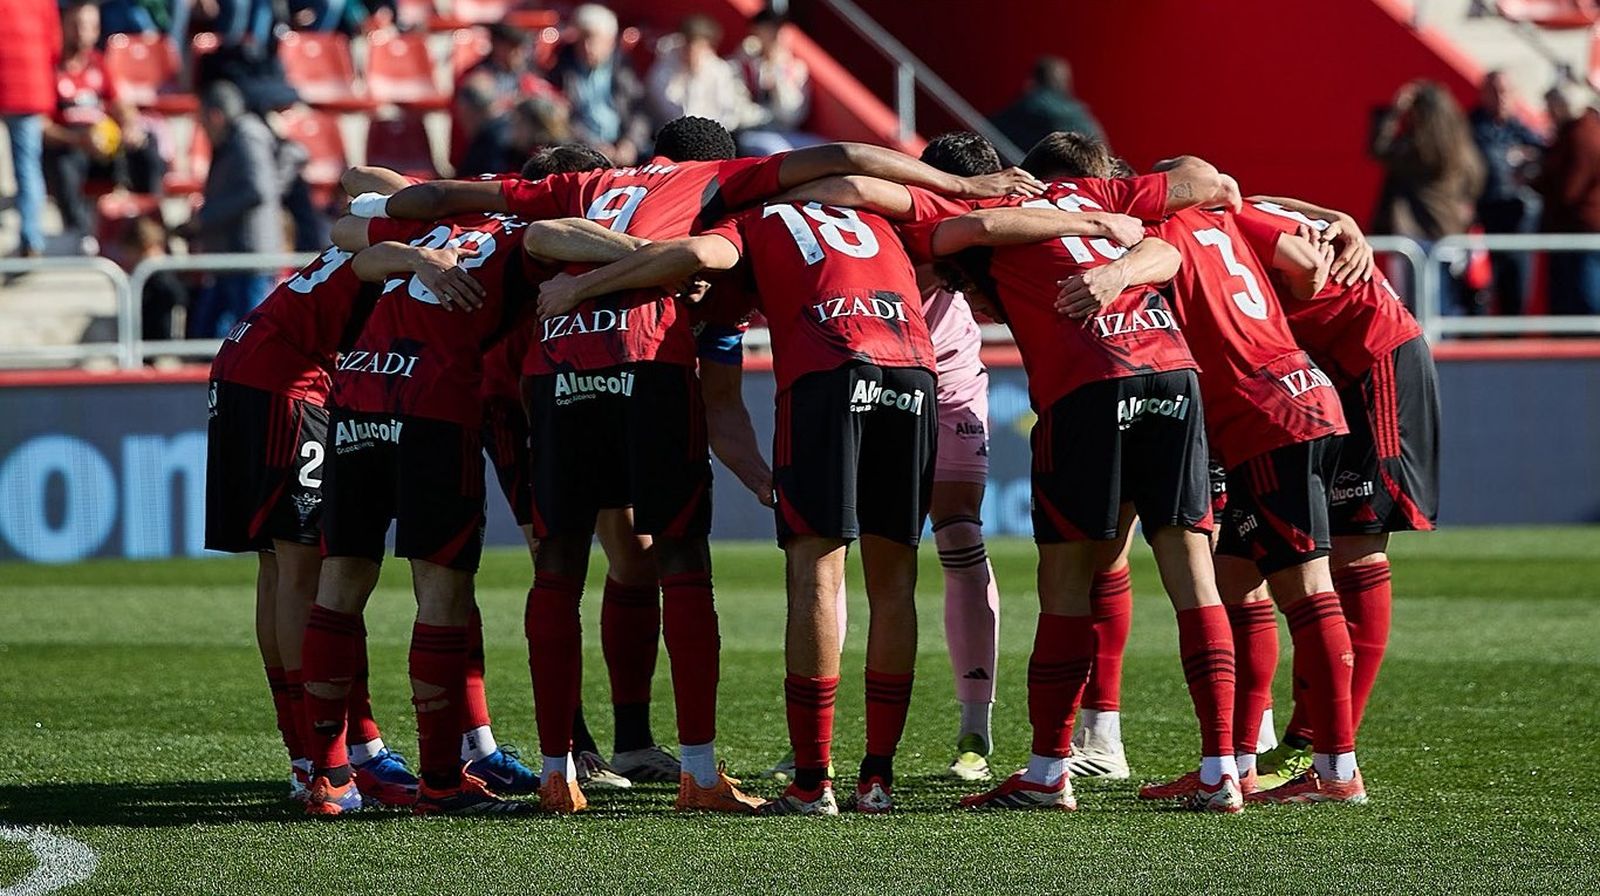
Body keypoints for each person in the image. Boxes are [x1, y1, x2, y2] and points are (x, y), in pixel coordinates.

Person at [364, 117, 1041, 813]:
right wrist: (992, 195)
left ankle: (562, 771)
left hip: (568, 361)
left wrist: (394, 213)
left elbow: (454, 207)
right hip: (879, 366)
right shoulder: (802, 200)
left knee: (565, 563)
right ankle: (784, 774)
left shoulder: (611, 186)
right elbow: (872, 181)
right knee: (731, 561)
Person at [204, 163, 427, 810]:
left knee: (280, 567)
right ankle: (319, 760)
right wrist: (427, 257)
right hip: (286, 385)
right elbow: (381, 255)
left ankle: (315, 751)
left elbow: (361, 177)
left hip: (247, 367)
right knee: (306, 567)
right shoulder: (390, 248)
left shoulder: (351, 235)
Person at [1147, 160, 1369, 805]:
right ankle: (1236, 762)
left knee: (1306, 587)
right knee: (1235, 581)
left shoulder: (1156, 227)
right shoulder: (1228, 217)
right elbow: (1308, 268)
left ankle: (1335, 771)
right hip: (1298, 394)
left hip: (1265, 412)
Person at [1229, 194, 1439, 776]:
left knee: (1355, 547)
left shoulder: (1200, 217)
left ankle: (1317, 746)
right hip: (1321, 376)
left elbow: (1281, 234)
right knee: (1280, 560)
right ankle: (1296, 743)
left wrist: (1334, 220)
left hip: (1374, 358)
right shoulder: (1207, 216)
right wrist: (1335, 220)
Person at [43, 0, 165, 251]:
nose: (83, 32)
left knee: (146, 147)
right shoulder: (49, 67)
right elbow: (41, 127)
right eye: (76, 25)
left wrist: (129, 125)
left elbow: (119, 104)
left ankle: (148, 224)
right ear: (63, 26)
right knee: (63, 161)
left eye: (89, 26)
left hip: (104, 142)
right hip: (70, 144)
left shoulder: (98, 63)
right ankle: (79, 232)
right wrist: (79, 141)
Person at [1370, 80, 1486, 314]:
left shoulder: (1416, 151)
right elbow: (1476, 180)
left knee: (1418, 308)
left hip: (1415, 235)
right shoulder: (1461, 148)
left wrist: (1395, 111)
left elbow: (1379, 147)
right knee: (1446, 304)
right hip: (1450, 233)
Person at [177, 82, 283, 338]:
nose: (202, 129)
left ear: (215, 115)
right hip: (233, 257)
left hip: (248, 260)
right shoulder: (237, 138)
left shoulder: (247, 137)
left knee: (250, 340)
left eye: (203, 121)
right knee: (214, 335)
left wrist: (204, 219)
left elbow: (257, 190)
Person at [1469, 71, 1545, 315]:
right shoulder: (1471, 127)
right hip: (1481, 215)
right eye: (1495, 91)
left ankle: (1512, 339)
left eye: (1506, 91)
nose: (1501, 97)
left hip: (1517, 218)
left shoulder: (1520, 129)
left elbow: (1546, 154)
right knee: (1477, 287)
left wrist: (1528, 161)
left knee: (1516, 285)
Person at [549, 4, 651, 167]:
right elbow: (563, 118)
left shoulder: (623, 68)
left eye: (593, 39)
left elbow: (639, 112)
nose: (586, 47)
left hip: (625, 147)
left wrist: (630, 143)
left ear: (610, 41)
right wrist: (592, 147)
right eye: (581, 39)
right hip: (581, 149)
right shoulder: (563, 70)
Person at [0, 0, 58, 263]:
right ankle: (31, 238)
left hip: (18, 87)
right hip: (30, 88)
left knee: (26, 169)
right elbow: (54, 44)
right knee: (28, 169)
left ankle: (30, 239)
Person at [1535, 85, 1600, 315]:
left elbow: (1569, 189)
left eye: (1550, 107)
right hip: (1579, 227)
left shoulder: (1580, 135)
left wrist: (1534, 180)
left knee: (1583, 297)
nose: (1548, 113)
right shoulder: (1582, 130)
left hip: (1580, 229)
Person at [645, 15, 765, 134]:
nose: (693, 52)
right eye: (689, 45)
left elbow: (726, 114)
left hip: (711, 137)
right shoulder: (664, 69)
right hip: (669, 136)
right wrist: (690, 78)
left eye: (700, 47)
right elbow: (673, 114)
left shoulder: (720, 71)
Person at [728, 7, 821, 156]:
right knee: (778, 153)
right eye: (769, 30)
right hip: (751, 133)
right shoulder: (740, 65)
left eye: (778, 30)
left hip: (785, 132)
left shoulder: (794, 67)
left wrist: (777, 71)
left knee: (824, 149)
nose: (775, 36)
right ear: (755, 32)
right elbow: (736, 112)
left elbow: (792, 114)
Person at [990, 57, 1106, 155]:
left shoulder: (1031, 106)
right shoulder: (1084, 116)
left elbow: (991, 131)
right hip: (1086, 176)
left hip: (1046, 175)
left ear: (1032, 81)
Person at [118, 215, 189, 342]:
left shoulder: (161, 275)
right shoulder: (144, 276)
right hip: (146, 342)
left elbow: (179, 297)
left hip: (160, 343)